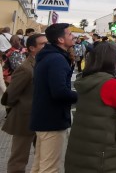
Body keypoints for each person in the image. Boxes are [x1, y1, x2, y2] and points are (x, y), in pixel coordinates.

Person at [65, 42, 116, 173]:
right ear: (112, 61)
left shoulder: (84, 80)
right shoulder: (111, 84)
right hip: (103, 152)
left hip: (83, 145)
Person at [30, 23, 78, 173]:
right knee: (51, 168)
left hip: (44, 118)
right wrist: (80, 96)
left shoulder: (48, 57)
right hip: (53, 121)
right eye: (70, 34)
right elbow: (59, 92)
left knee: (39, 165)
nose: (73, 36)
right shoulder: (57, 59)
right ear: (61, 40)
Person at [2, 33, 48, 173]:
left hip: (40, 118)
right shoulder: (25, 68)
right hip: (24, 118)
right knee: (19, 158)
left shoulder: (42, 63)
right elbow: (10, 95)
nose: (47, 46)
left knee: (42, 156)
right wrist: (17, 108)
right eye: (43, 44)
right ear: (32, 48)